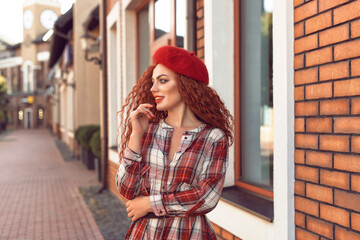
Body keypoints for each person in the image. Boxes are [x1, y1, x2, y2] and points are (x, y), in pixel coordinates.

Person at [115, 45, 233, 239]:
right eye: (153, 82)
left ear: (186, 85)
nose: (153, 89)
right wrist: (135, 136)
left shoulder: (213, 138)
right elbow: (127, 189)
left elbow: (206, 197)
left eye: (162, 81)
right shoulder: (147, 130)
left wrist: (149, 204)